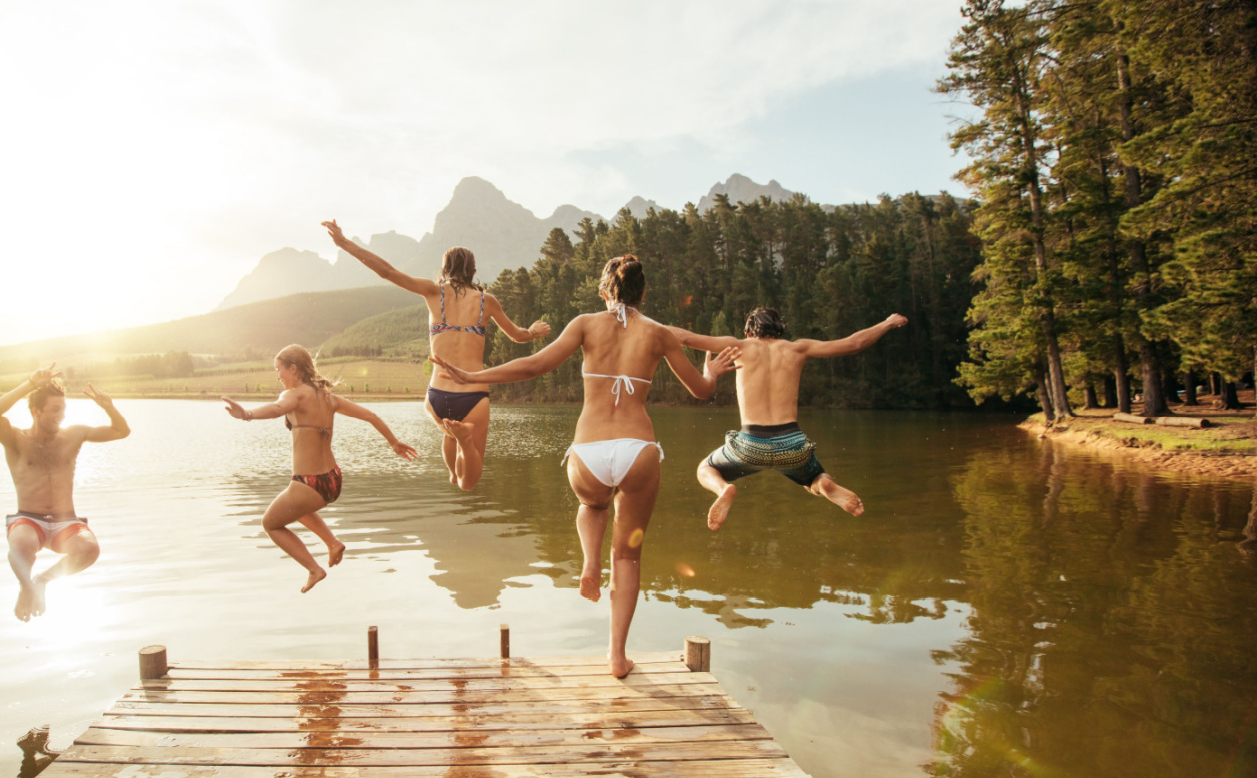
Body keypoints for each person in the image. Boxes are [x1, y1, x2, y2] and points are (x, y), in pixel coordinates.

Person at [432, 255, 739, 678]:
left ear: (603, 290)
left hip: (589, 451)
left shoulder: (585, 324)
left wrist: (473, 377)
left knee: (593, 505)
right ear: (643, 292)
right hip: (638, 449)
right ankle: (616, 656)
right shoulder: (660, 334)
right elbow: (702, 391)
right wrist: (712, 369)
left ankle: (590, 560)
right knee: (628, 558)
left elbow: (535, 365)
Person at [322, 219, 550, 490]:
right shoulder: (487, 301)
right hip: (473, 395)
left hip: (437, 396)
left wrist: (344, 243)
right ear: (473, 271)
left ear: (444, 269)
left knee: (449, 439)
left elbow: (387, 272)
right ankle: (464, 445)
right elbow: (517, 335)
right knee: (469, 482)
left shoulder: (433, 292)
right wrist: (534, 331)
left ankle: (452, 469)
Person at [671, 307, 908, 529]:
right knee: (813, 478)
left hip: (751, 444)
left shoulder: (738, 346)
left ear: (748, 331)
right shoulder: (798, 348)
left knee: (706, 468)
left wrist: (635, 320)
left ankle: (723, 489)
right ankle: (823, 484)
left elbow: (684, 337)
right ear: (780, 330)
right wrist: (887, 323)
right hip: (792, 445)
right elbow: (854, 343)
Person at [223, 344, 419, 593]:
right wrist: (393, 442)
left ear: (293, 369)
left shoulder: (294, 395)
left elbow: (276, 409)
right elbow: (370, 415)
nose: (277, 376)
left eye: (278, 370)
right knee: (293, 506)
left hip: (309, 483)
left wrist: (246, 414)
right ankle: (332, 542)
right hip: (333, 480)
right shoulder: (329, 398)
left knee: (270, 524)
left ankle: (314, 569)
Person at [0, 364, 131, 622]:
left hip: (66, 521)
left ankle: (41, 581)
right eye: (54, 410)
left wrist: (108, 407)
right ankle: (26, 586)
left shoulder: (74, 435)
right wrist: (30, 384)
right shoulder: (15, 439)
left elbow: (122, 432)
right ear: (35, 411)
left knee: (89, 550)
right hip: (28, 519)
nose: (61, 416)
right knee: (22, 544)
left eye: (63, 410)